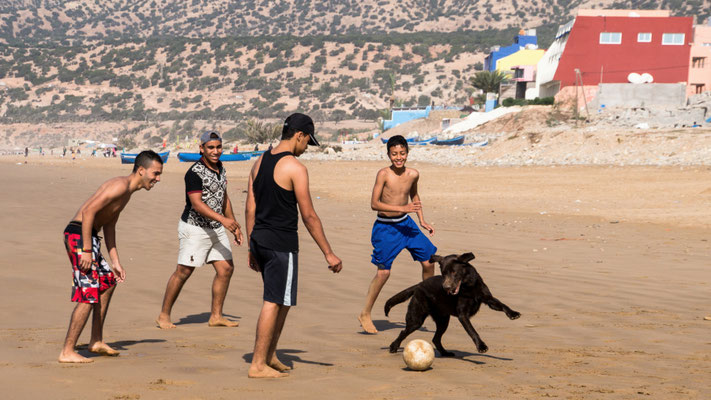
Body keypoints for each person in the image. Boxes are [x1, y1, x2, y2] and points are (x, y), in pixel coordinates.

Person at [245, 113, 343, 378]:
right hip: (281, 245)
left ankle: (269, 354)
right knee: (273, 301)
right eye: (307, 143)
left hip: (262, 242)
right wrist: (329, 253)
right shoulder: (295, 168)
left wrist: (252, 245)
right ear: (299, 135)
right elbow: (309, 216)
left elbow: (250, 207)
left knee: (283, 300)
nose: (305, 149)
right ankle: (257, 364)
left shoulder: (259, 162)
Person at [59, 150, 164, 363]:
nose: (158, 179)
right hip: (79, 234)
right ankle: (67, 351)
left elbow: (109, 224)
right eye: (155, 173)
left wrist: (115, 261)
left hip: (88, 236)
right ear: (141, 170)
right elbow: (88, 212)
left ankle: (96, 340)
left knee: (107, 282)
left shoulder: (127, 192)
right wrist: (87, 250)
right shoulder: (120, 186)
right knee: (89, 292)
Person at [156, 131, 243, 329]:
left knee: (226, 269)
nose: (215, 151)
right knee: (184, 271)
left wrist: (234, 224)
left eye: (218, 147)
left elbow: (224, 198)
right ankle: (163, 315)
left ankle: (216, 316)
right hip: (194, 228)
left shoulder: (221, 168)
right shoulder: (194, 172)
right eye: (210, 147)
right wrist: (223, 220)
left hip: (216, 227)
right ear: (201, 149)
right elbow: (197, 204)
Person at [358, 135, 437, 334]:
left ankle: (426, 302)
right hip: (386, 228)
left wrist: (422, 219)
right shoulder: (383, 174)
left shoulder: (413, 174)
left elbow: (414, 196)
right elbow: (374, 204)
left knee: (429, 260)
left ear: (407, 153)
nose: (398, 157)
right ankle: (365, 313)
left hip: (407, 225)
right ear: (389, 155)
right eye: (394, 154)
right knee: (384, 272)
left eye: (402, 153)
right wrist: (403, 207)